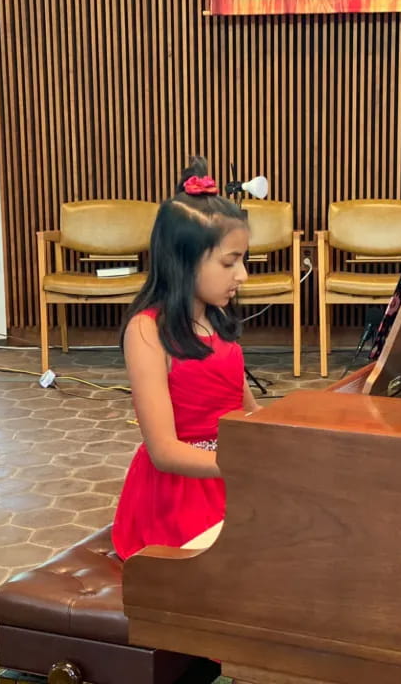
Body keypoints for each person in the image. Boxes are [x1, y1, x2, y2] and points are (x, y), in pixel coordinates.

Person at [112, 157, 261, 560]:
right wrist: (243, 465)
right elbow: (164, 451)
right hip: (180, 493)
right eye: (229, 262)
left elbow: (248, 412)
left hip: (230, 474)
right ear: (184, 260)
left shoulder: (218, 320)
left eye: (243, 260)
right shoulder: (147, 331)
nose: (242, 275)